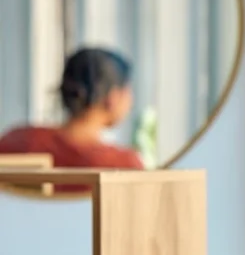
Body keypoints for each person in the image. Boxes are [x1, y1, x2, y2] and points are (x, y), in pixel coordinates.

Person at [0, 47, 144, 172]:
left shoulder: (16, 143)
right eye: (128, 92)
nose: (131, 101)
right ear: (113, 98)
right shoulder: (123, 167)